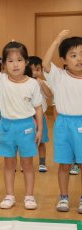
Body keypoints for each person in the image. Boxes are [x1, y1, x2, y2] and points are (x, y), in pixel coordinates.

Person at [0, 35, 43, 210]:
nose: (15, 64)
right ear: (4, 65)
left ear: (26, 62)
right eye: (10, 61)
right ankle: (9, 195)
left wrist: (40, 129)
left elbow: (38, 108)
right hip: (7, 126)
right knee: (9, 163)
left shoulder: (32, 84)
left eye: (20, 60)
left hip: (26, 127)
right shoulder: (0, 80)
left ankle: (29, 196)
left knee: (27, 163)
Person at [42, 30, 82, 213]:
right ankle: (64, 197)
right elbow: (45, 63)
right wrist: (57, 39)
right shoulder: (59, 76)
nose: (79, 59)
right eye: (73, 55)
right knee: (64, 164)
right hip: (64, 124)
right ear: (64, 60)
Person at [28, 56, 53, 172]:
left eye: (37, 69)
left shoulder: (43, 82)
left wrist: (41, 83)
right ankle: (26, 163)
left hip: (40, 115)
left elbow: (50, 95)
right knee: (27, 141)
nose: (34, 72)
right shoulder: (24, 83)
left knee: (41, 140)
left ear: (42, 71)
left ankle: (42, 163)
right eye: (31, 69)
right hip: (27, 117)